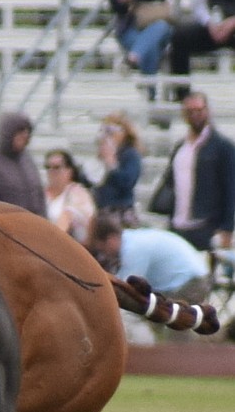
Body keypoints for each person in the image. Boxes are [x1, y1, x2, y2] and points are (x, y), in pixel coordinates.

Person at [147, 90, 235, 252]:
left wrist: (227, 228)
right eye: (189, 111)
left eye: (199, 110)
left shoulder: (222, 147)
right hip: (177, 225)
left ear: (207, 111)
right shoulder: (181, 148)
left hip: (206, 225)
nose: (195, 115)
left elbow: (230, 189)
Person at [88, 213, 212, 304]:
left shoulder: (133, 249)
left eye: (102, 249)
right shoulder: (132, 239)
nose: (104, 254)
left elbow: (126, 290)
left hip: (190, 282)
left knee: (176, 329)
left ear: (111, 240)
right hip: (187, 279)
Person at [0, 112, 46, 216]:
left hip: (33, 224)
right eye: (20, 131)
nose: (25, 135)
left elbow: (39, 196)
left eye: (27, 131)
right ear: (8, 133)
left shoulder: (28, 160)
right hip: (4, 225)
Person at [93, 111, 142, 224]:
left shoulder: (130, 154)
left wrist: (112, 165)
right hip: (102, 210)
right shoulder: (101, 157)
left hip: (120, 210)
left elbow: (127, 182)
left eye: (111, 131)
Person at [44, 149, 96, 242]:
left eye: (56, 167)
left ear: (69, 171)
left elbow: (68, 216)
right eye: (48, 167)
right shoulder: (42, 194)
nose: (51, 171)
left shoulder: (78, 193)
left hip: (68, 243)